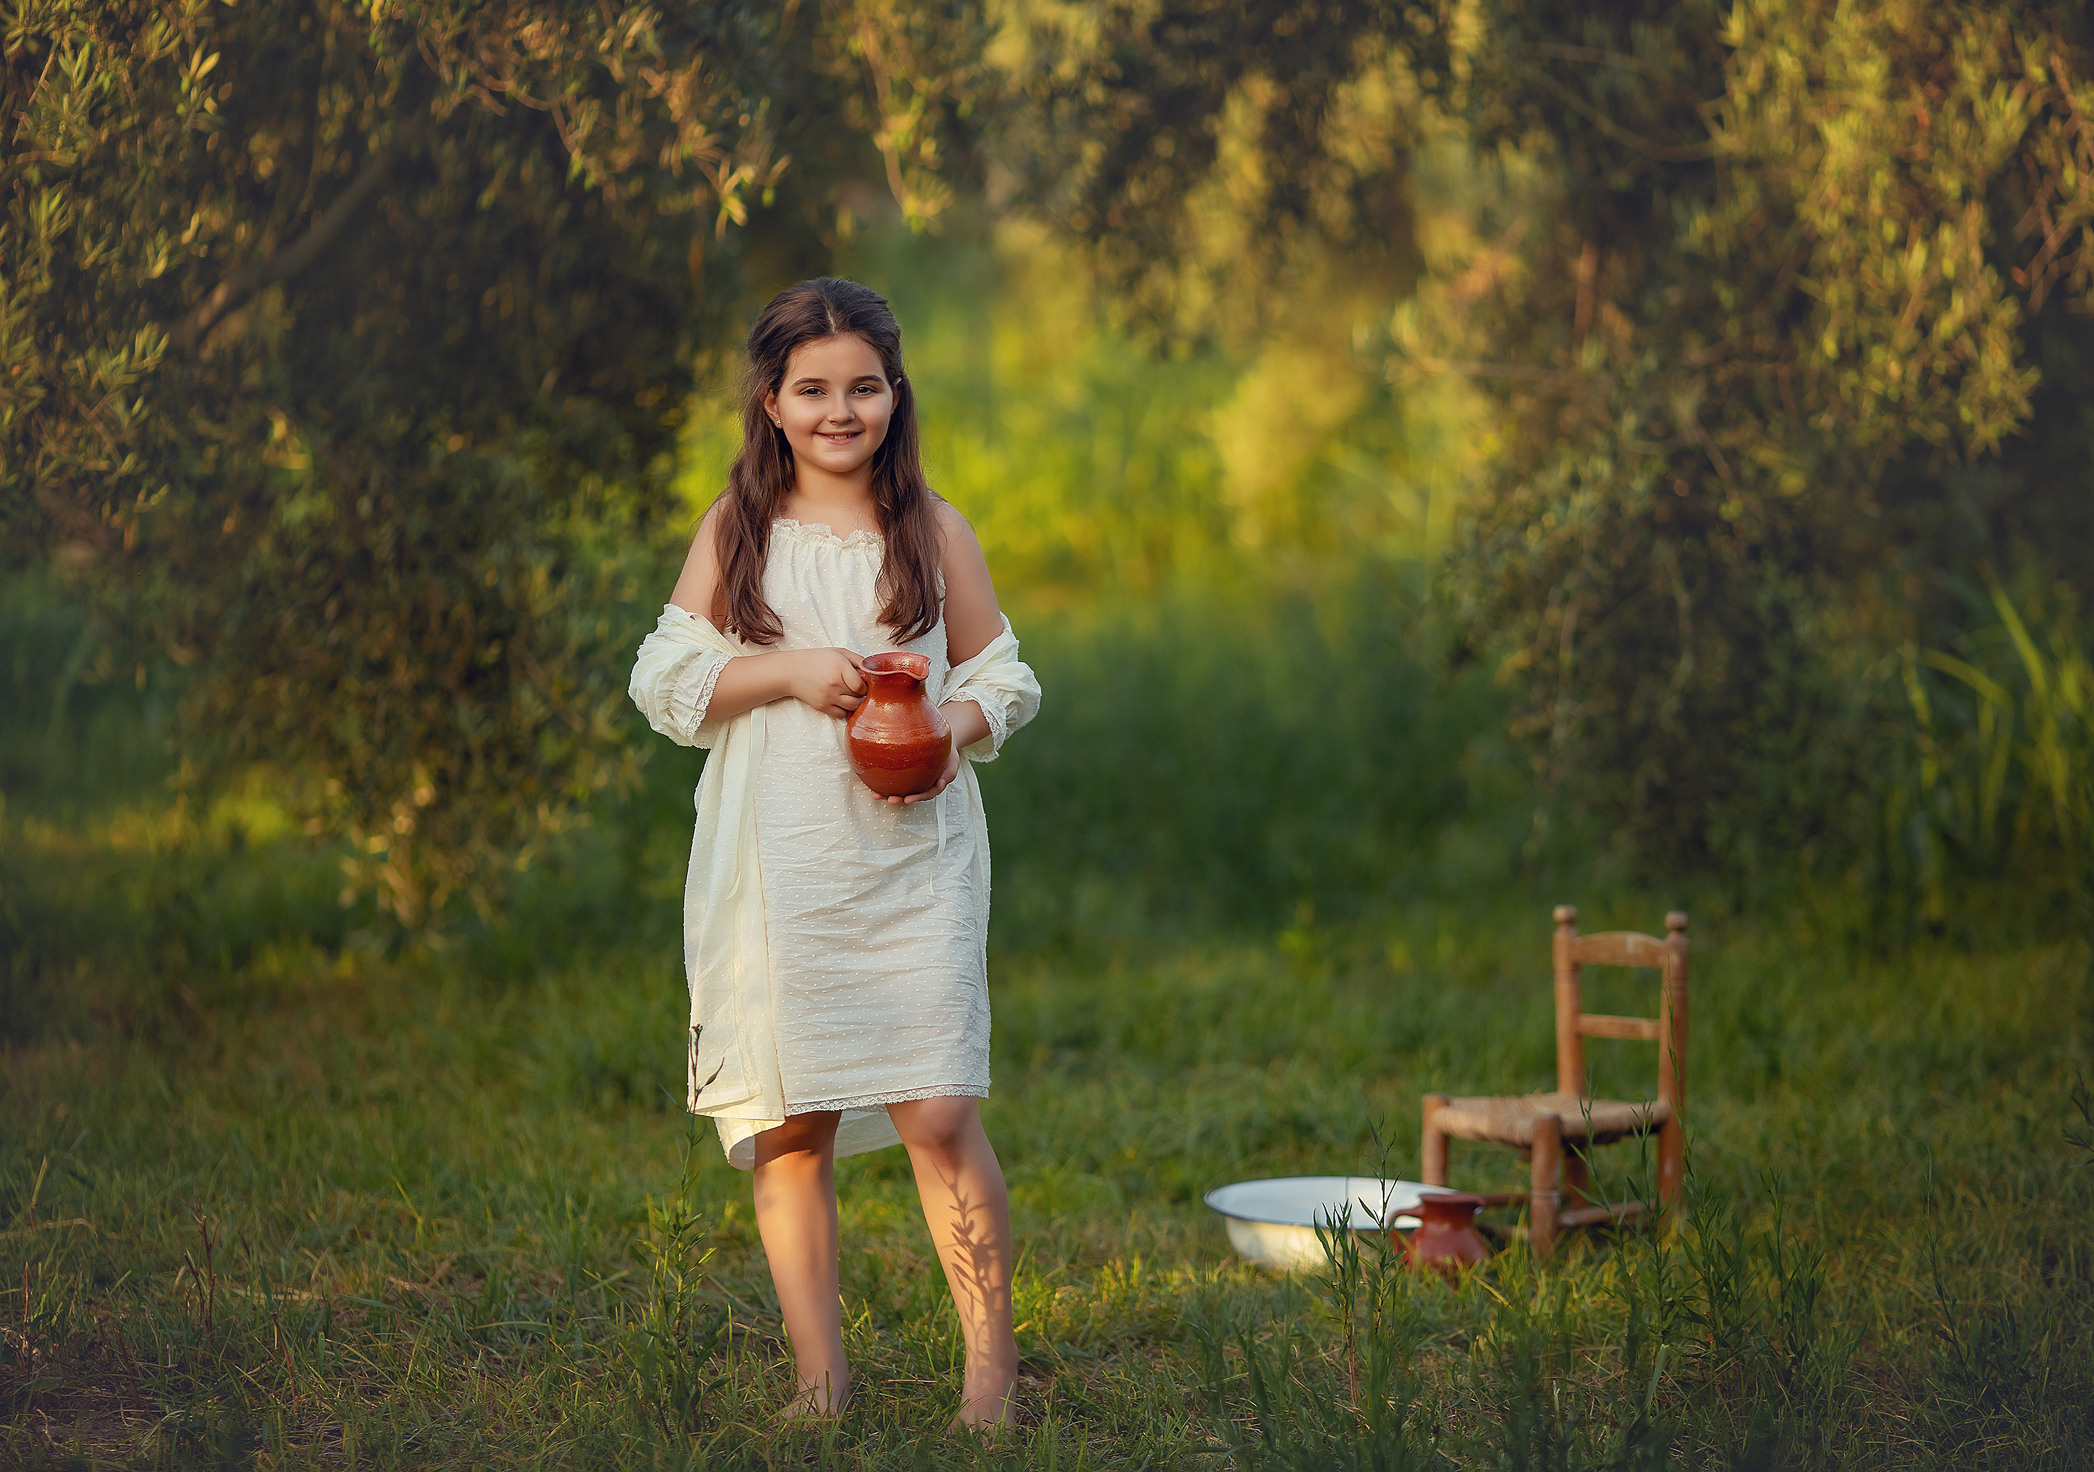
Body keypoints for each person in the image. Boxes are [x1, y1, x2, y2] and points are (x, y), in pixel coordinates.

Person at [627, 277, 1040, 1429]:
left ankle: (991, 1381)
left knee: (939, 1110)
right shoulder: (739, 528)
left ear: (896, 396)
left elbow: (1005, 672)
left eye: (864, 387)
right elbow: (665, 677)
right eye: (813, 389)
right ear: (771, 401)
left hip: (913, 862)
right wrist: (787, 671)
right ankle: (821, 1381)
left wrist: (953, 725)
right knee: (792, 1125)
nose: (840, 410)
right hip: (783, 869)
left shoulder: (932, 529)